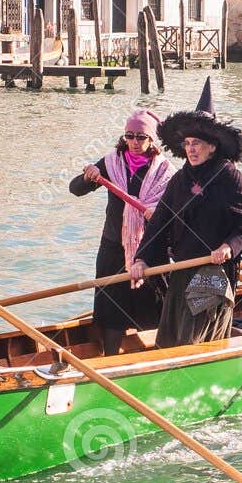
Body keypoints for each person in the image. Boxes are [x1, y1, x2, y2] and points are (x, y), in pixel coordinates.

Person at [130, 79, 242, 348]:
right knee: (169, 339)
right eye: (188, 143)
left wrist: (229, 246)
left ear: (213, 146)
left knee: (194, 339)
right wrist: (142, 258)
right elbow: (159, 223)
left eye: (198, 143)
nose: (191, 149)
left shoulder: (230, 177)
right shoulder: (180, 180)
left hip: (214, 270)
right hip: (182, 269)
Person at [69, 108, 175, 355]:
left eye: (141, 137)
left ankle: (157, 354)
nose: (134, 143)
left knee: (155, 304)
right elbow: (75, 189)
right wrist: (88, 177)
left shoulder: (166, 172)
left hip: (150, 249)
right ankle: (109, 358)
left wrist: (156, 212)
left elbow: (178, 211)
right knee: (111, 308)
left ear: (151, 141)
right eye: (130, 136)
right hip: (113, 247)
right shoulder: (111, 163)